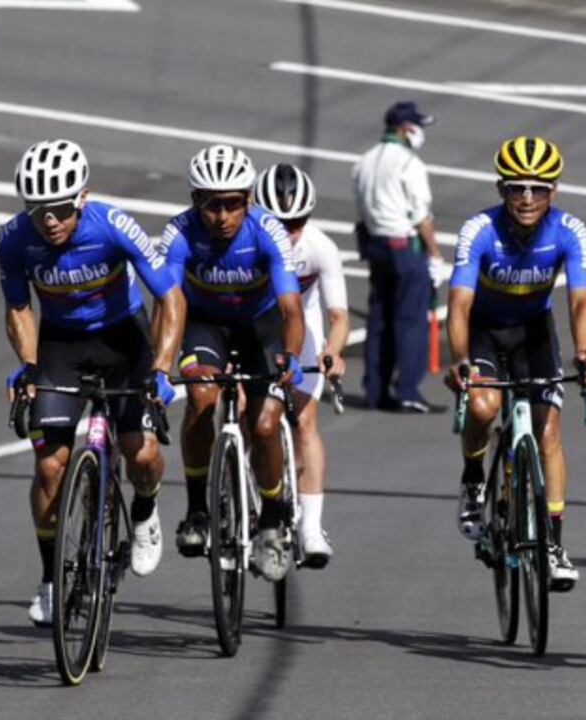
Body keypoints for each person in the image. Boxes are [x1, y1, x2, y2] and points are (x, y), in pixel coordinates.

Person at [0, 139, 185, 627]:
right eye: (38, 210)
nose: (49, 220)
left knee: (140, 452)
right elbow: (18, 309)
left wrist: (162, 368)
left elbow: (170, 298)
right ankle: (51, 580)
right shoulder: (13, 239)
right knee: (49, 466)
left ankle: (144, 510)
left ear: (81, 197)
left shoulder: (113, 225)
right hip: (62, 345)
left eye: (59, 209)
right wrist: (31, 365)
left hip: (125, 340)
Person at [445, 136, 586, 592]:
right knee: (482, 408)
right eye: (517, 188)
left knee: (549, 431)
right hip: (484, 331)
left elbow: (580, 302)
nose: (528, 198)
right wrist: (460, 360)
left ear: (553, 191)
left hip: (534, 332)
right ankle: (474, 479)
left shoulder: (570, 231)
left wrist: (585, 353)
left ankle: (553, 545)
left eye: (538, 188)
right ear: (501, 190)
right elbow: (457, 304)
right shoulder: (479, 230)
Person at [159, 144, 305, 582]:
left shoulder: (267, 232)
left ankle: (275, 519)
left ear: (249, 200)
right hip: (206, 325)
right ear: (194, 201)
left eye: (233, 204)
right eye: (211, 204)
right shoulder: (179, 233)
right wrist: (161, 364)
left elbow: (291, 309)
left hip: (261, 326)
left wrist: (291, 357)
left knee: (263, 426)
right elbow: (168, 301)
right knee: (201, 400)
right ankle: (198, 512)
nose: (222, 216)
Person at [254, 163, 350, 567]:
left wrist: (333, 351)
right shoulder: (246, 241)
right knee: (248, 414)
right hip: (255, 328)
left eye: (296, 222)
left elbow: (339, 316)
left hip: (301, 328)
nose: (289, 231)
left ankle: (311, 526)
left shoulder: (319, 247)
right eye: (279, 222)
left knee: (305, 421)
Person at [353, 100, 446, 413]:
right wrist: (434, 255)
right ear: (407, 129)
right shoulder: (409, 164)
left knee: (380, 317)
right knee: (410, 318)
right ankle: (407, 389)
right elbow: (421, 215)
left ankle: (374, 389)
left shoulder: (364, 160)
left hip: (375, 243)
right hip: (404, 246)